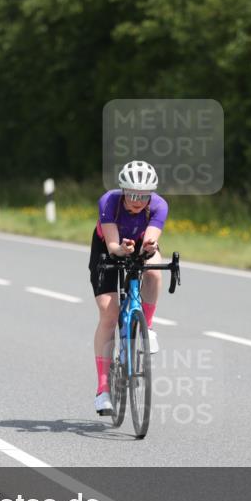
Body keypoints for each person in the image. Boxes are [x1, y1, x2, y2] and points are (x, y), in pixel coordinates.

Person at [88, 160, 168, 416]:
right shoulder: (109, 202)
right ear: (123, 190)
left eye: (144, 195)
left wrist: (148, 248)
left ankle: (150, 325)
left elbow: (151, 239)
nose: (138, 200)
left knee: (154, 271)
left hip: (139, 245)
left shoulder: (158, 206)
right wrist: (121, 250)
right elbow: (113, 247)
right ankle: (103, 390)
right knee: (109, 314)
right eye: (132, 194)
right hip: (108, 247)